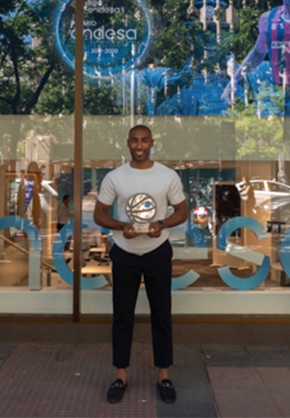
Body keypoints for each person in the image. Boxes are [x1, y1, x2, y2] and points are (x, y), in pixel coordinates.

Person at [93, 125, 187, 404]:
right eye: (134, 140)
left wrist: (162, 223)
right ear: (128, 143)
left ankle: (164, 374)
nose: (139, 145)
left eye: (144, 140)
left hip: (158, 251)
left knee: (162, 315)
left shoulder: (167, 176)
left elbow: (182, 210)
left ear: (151, 143)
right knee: (122, 316)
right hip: (124, 252)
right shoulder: (116, 177)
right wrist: (122, 226)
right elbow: (99, 213)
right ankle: (120, 375)